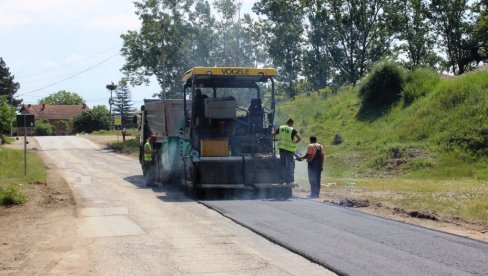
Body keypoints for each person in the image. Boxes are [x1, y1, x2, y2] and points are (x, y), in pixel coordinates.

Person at [273, 118, 301, 184]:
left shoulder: (281, 128)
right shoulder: (293, 130)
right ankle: (288, 180)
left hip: (282, 149)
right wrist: (294, 142)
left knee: (282, 164)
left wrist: (272, 130)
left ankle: (281, 180)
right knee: (289, 165)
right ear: (292, 124)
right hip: (290, 150)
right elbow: (299, 138)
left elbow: (273, 135)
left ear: (286, 122)